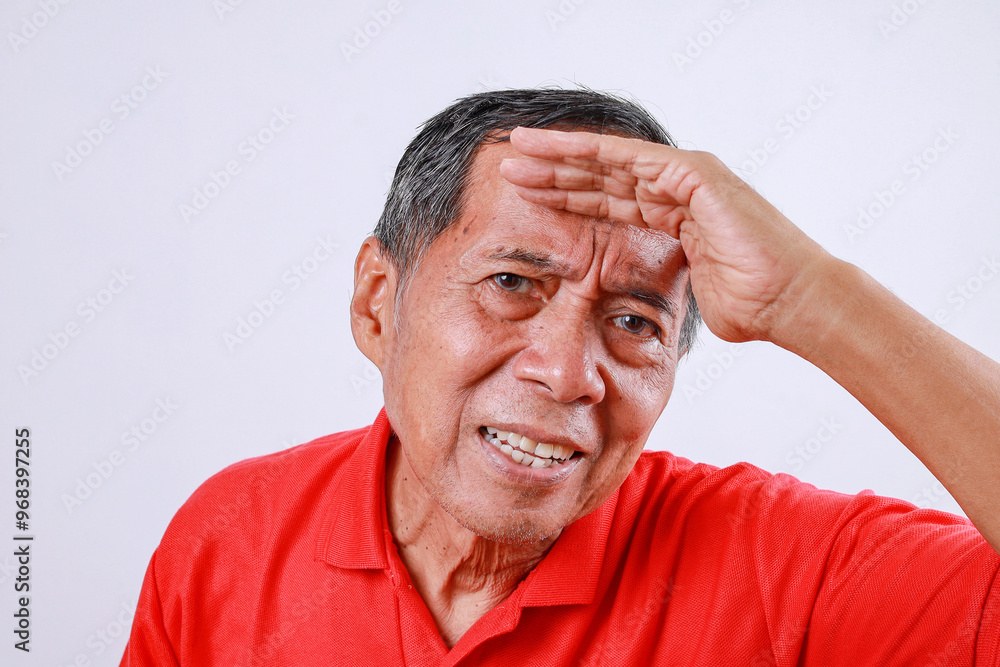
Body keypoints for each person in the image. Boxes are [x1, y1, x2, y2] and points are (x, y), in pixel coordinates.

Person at [120, 88, 1000, 665]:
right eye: (512, 284)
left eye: (633, 321)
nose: (567, 371)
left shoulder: (782, 569)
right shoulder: (226, 540)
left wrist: (812, 296)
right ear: (378, 303)